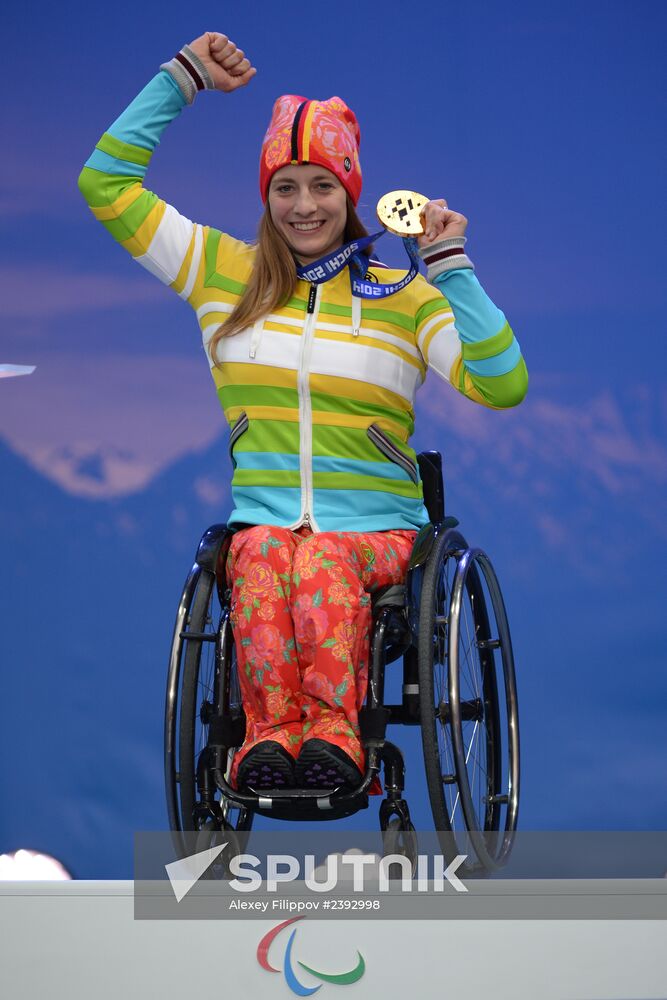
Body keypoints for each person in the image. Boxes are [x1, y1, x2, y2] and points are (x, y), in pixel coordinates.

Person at [78, 31, 528, 795]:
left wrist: (451, 271)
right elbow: (106, 184)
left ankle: (333, 739)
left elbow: (500, 384)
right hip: (266, 522)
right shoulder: (220, 273)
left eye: (320, 185)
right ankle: (269, 741)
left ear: (349, 191)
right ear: (266, 197)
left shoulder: (402, 297)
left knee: (314, 556)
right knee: (257, 557)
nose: (302, 205)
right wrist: (180, 81)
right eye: (284, 186)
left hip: (379, 535)